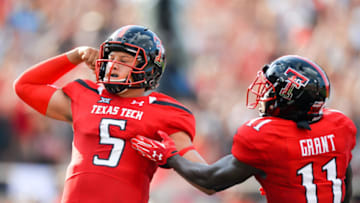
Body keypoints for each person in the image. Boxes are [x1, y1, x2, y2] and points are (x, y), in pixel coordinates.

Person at [13, 25, 211, 203]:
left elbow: (206, 181)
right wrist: (75, 56)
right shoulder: (86, 95)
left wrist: (173, 158)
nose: (113, 65)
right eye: (111, 58)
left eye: (123, 60)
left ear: (149, 69)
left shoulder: (163, 111)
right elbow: (25, 86)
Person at [131, 55, 357, 203]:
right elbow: (344, 185)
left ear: (289, 98)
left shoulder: (267, 136)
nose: (264, 95)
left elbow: (210, 181)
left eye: (270, 90)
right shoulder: (339, 126)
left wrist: (171, 157)